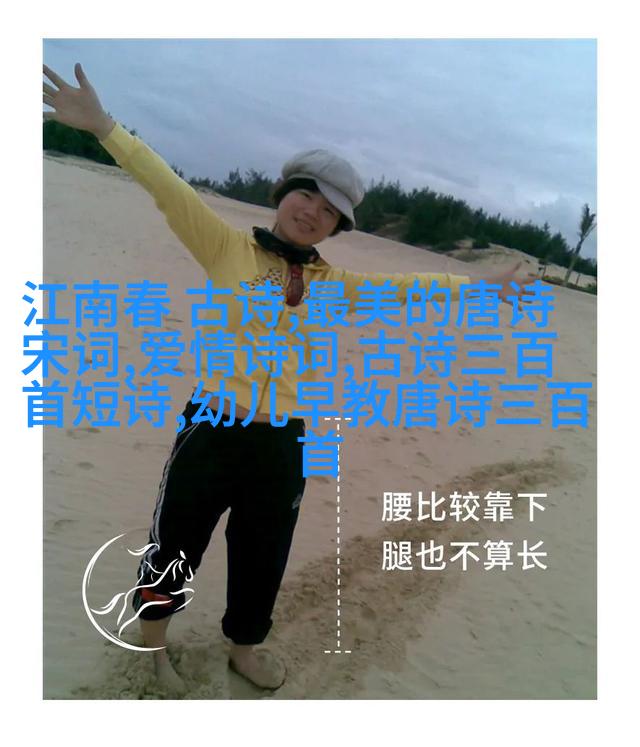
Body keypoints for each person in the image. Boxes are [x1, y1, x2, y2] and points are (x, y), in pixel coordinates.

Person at [43, 62, 531, 693]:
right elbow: (168, 188)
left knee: (264, 551)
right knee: (177, 542)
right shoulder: (226, 248)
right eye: (307, 196)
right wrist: (106, 128)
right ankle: (154, 641)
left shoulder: (334, 285)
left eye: (329, 211)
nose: (313, 212)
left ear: (337, 227)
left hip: (285, 439)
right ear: (284, 193)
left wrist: (481, 287)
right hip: (212, 428)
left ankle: (245, 645)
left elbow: (409, 288)